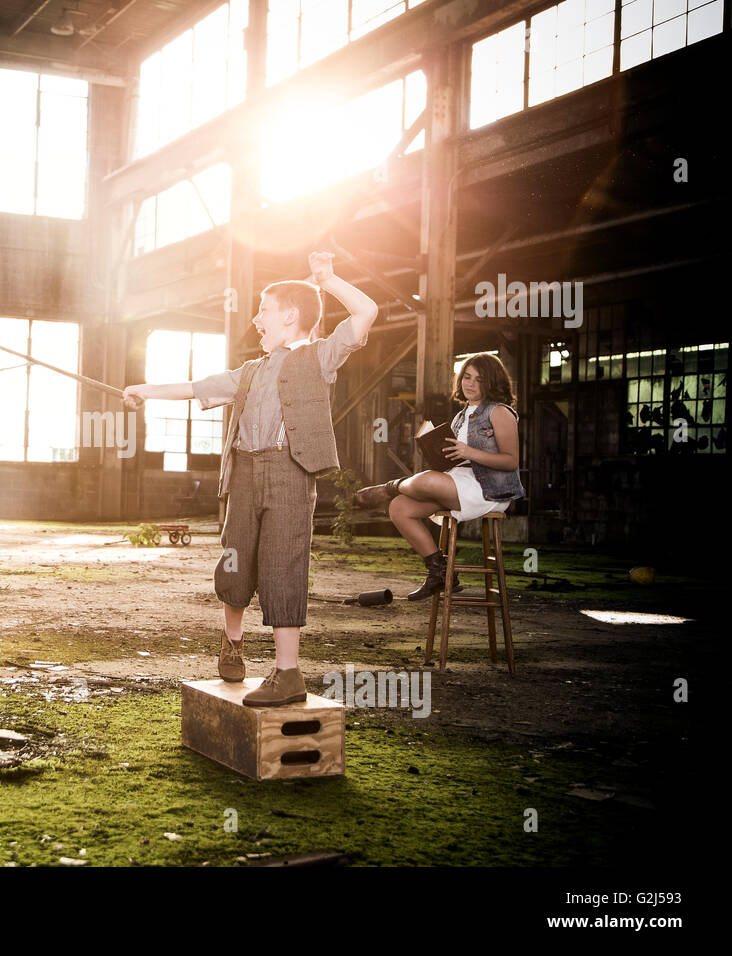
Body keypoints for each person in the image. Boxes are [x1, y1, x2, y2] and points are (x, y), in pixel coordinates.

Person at [123, 252, 378, 706]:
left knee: (283, 565)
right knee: (236, 558)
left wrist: (329, 279)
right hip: (242, 472)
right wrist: (143, 390)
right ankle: (233, 642)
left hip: (290, 473)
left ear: (290, 316)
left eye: (264, 310)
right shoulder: (249, 371)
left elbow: (367, 312)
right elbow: (196, 387)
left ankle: (287, 673)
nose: (256, 319)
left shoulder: (321, 357)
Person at [354, 353, 525, 600]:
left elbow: (511, 461)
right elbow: (456, 460)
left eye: (479, 379)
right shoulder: (461, 415)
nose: (470, 383)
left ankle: (389, 487)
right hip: (459, 482)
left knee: (425, 481)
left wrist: (469, 452)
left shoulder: (500, 412)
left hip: (489, 489)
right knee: (399, 508)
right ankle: (440, 573)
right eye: (467, 377)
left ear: (491, 383)